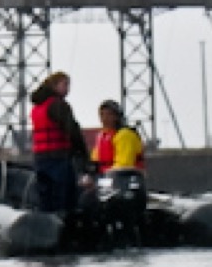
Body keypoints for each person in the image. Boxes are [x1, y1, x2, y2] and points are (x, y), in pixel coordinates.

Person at [29, 71, 89, 213]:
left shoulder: (37, 107)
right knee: (64, 198)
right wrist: (82, 154)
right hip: (58, 157)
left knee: (45, 198)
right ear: (54, 85)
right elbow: (72, 130)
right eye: (65, 84)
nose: (67, 89)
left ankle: (47, 225)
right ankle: (65, 227)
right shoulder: (58, 105)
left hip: (40, 158)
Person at [93, 99, 148, 244]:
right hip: (106, 184)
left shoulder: (125, 135)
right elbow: (96, 161)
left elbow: (124, 165)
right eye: (102, 115)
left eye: (109, 115)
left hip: (126, 184)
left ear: (117, 116)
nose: (104, 119)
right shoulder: (102, 136)